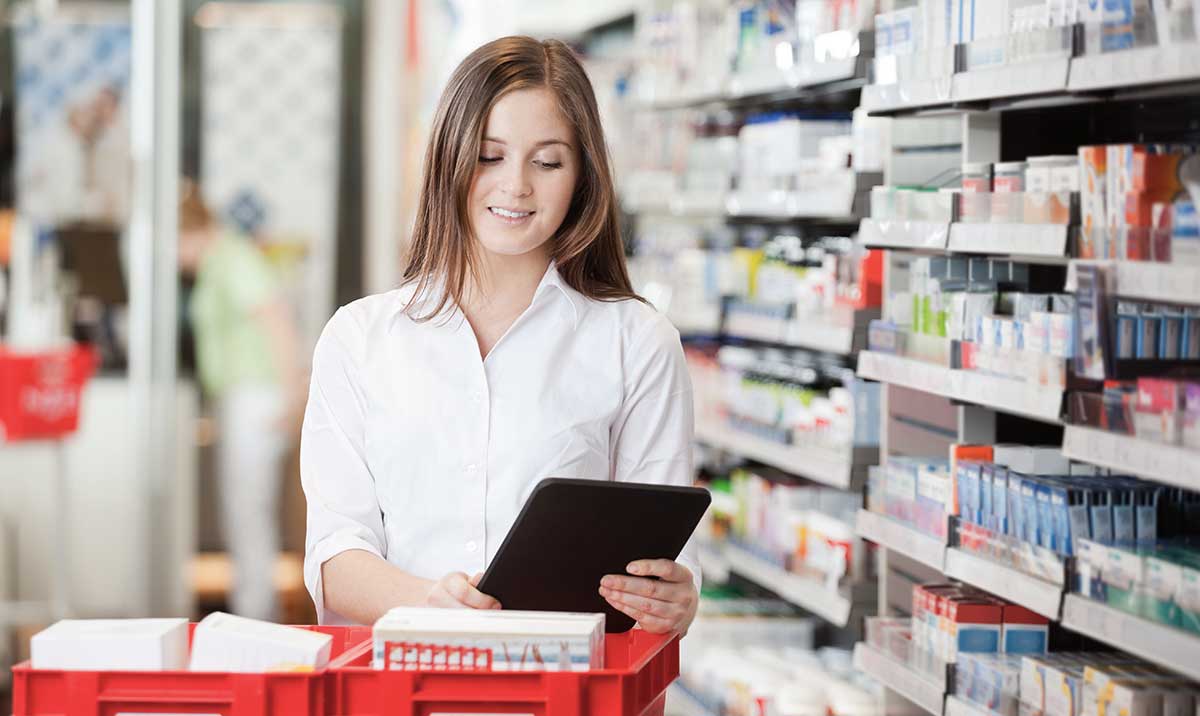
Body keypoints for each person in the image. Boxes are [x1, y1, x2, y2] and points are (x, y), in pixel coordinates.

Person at [301, 36, 700, 634]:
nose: (516, 186)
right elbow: (333, 555)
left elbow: (660, 558)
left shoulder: (637, 342)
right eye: (490, 155)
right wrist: (425, 602)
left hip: (566, 689)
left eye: (547, 161)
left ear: (582, 175)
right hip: (404, 683)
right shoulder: (359, 339)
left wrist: (672, 601)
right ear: (450, 158)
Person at [179, 182, 306, 621]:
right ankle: (251, 614)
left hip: (257, 399)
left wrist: (293, 397)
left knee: (250, 516)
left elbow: (276, 321)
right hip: (241, 399)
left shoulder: (233, 259)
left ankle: (255, 621)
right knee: (246, 515)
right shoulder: (221, 264)